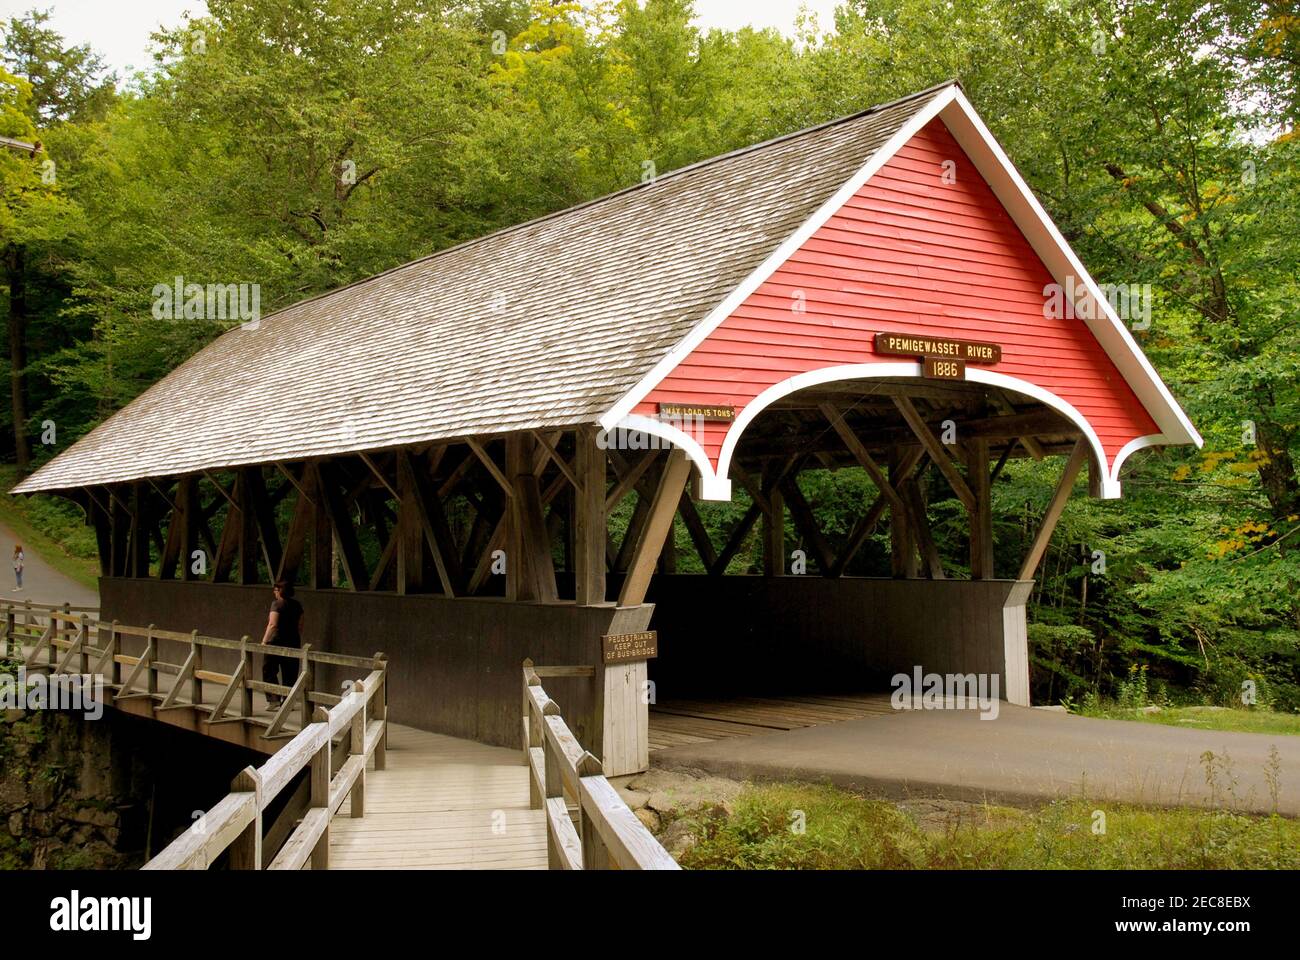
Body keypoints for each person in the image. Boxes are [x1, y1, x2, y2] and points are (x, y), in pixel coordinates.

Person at [260, 580, 304, 709]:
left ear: (280, 591)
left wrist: (264, 641)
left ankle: (273, 699)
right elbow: (300, 625)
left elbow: (273, 624)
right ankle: (288, 701)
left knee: (269, 669)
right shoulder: (297, 605)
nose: (274, 592)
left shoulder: (277, 604)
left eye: (275, 590)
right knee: (290, 672)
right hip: (293, 641)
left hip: (276, 641)